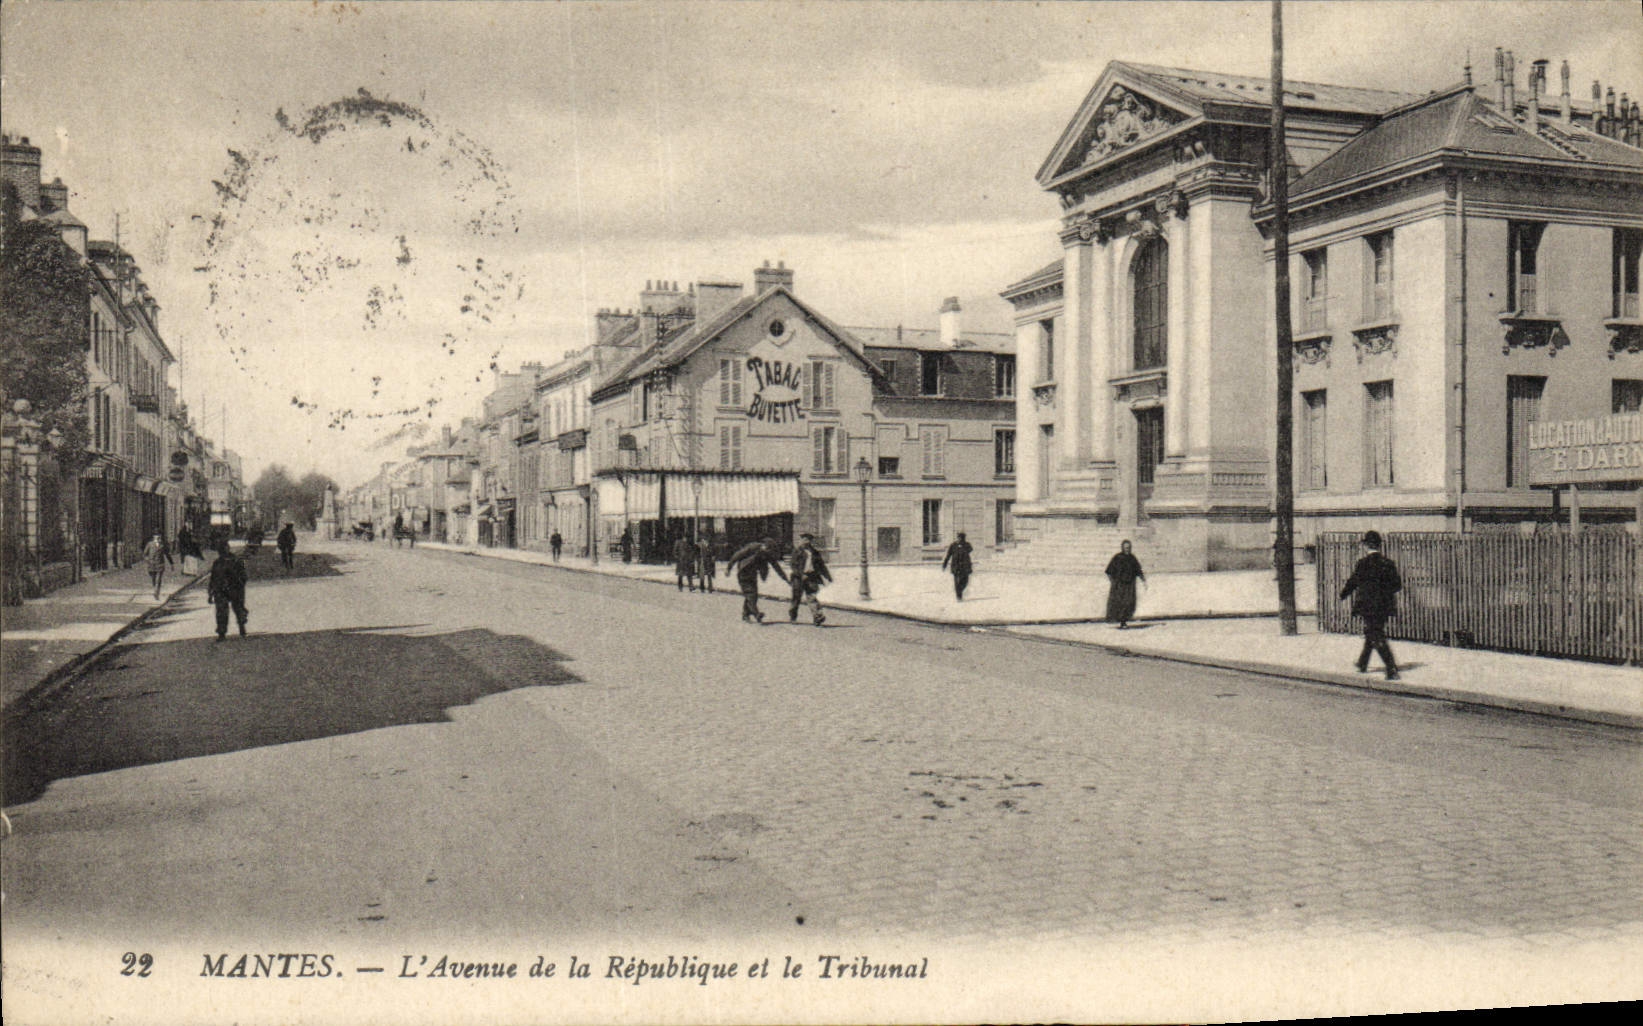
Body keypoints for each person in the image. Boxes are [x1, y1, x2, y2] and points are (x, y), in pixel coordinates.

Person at [1340, 529, 1402, 681]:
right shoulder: (1388, 563)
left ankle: (1391, 667)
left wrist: (1343, 594)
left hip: (1367, 605)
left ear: (1366, 546)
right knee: (1373, 631)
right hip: (1385, 605)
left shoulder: (1363, 564)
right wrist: (1384, 593)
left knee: (1375, 634)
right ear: (1379, 546)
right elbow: (1397, 585)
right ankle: (1362, 663)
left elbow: (1353, 582)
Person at [727, 537, 788, 624]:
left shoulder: (767, 554)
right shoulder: (753, 547)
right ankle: (756, 614)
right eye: (767, 548)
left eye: (770, 550)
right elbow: (737, 555)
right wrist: (728, 568)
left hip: (753, 574)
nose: (768, 551)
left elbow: (776, 567)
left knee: (752, 595)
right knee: (751, 594)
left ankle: (745, 614)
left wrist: (785, 579)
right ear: (764, 545)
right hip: (743, 572)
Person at [207, 540, 249, 641]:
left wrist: (239, 585)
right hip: (221, 590)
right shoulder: (217, 563)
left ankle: (241, 625)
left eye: (223, 549)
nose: (222, 552)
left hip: (235, 588)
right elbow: (213, 579)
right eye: (220, 550)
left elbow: (244, 576)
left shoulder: (236, 561)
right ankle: (221, 633)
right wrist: (210, 592)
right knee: (221, 611)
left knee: (238, 608)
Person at [787, 532, 833, 625]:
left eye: (808, 540)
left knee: (812, 597)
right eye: (804, 540)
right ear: (801, 541)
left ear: (810, 541)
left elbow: (821, 565)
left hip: (811, 577)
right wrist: (800, 574)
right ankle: (793, 616)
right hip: (798, 578)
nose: (805, 542)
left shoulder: (815, 552)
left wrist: (828, 576)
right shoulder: (797, 551)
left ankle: (817, 617)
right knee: (796, 598)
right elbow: (793, 565)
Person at [1104, 540, 1145, 629]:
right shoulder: (1117, 558)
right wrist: (1113, 582)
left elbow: (1138, 570)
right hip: (1119, 586)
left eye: (1129, 548)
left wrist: (1143, 579)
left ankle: (1124, 621)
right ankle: (1122, 622)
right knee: (1120, 603)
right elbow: (1108, 571)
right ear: (1122, 548)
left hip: (1130, 586)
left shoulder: (1132, 558)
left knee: (1128, 603)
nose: (1128, 549)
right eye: (1126, 548)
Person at [942, 531, 974, 601]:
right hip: (956, 566)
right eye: (959, 537)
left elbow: (970, 550)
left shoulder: (967, 545)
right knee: (957, 582)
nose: (960, 539)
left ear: (964, 538)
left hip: (965, 566)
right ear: (957, 538)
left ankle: (959, 591)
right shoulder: (953, 545)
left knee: (965, 581)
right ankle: (959, 596)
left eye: (962, 538)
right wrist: (944, 564)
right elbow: (948, 555)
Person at [142, 532, 173, 601]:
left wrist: (171, 563)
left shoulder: (163, 545)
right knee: (153, 579)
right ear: (154, 538)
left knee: (158, 580)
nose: (159, 539)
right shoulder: (149, 545)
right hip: (151, 565)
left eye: (160, 538)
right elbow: (144, 554)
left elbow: (167, 554)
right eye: (157, 538)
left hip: (160, 564)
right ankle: (155, 590)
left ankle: (156, 592)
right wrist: (148, 560)